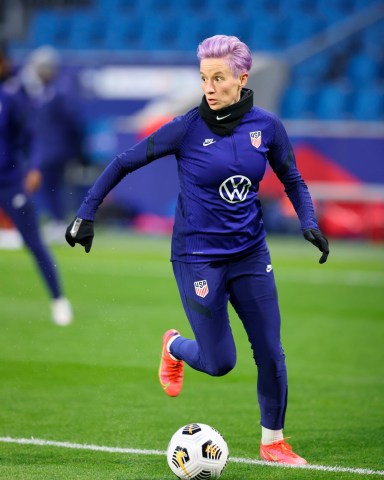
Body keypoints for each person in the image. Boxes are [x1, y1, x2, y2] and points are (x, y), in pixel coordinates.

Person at [65, 35, 329, 463]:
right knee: (220, 362)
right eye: (204, 77)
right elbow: (122, 162)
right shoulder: (186, 128)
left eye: (218, 78)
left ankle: (273, 441)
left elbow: (293, 180)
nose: (208, 86)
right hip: (197, 257)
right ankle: (174, 347)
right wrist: (87, 211)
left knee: (270, 351)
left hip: (250, 255)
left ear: (242, 79)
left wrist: (309, 222)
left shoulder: (267, 127)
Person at [0, 47, 73, 326]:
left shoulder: (10, 97)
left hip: (9, 180)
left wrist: (33, 167)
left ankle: (59, 300)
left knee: (34, 243)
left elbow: (31, 136)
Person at [23, 46, 87, 244]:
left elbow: (73, 123)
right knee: (49, 186)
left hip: (55, 149)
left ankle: (59, 222)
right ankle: (56, 221)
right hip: (46, 148)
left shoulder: (58, 93)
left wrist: (75, 148)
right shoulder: (43, 93)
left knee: (51, 185)